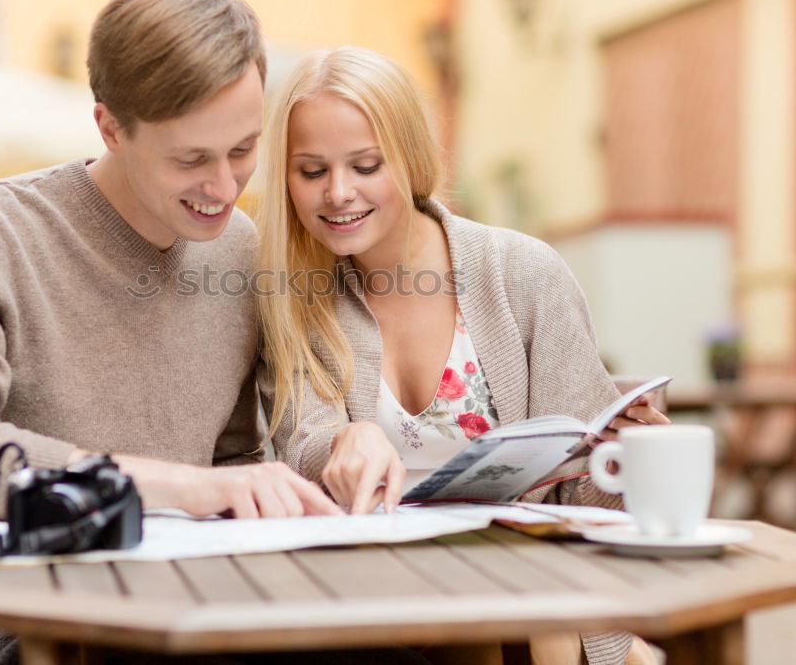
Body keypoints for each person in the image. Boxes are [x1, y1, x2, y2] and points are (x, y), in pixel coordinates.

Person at [0, 0, 340, 665]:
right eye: (191, 159)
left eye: (243, 150)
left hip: (195, 610)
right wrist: (174, 486)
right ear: (110, 128)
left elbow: (235, 455)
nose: (224, 187)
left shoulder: (243, 253)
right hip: (19, 624)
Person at [255, 46, 669, 665]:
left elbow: (590, 493)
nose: (338, 193)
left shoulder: (522, 274)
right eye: (311, 172)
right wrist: (343, 443)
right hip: (372, 608)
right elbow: (304, 445)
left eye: (366, 165)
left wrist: (633, 457)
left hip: (524, 608)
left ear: (411, 158)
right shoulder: (296, 298)